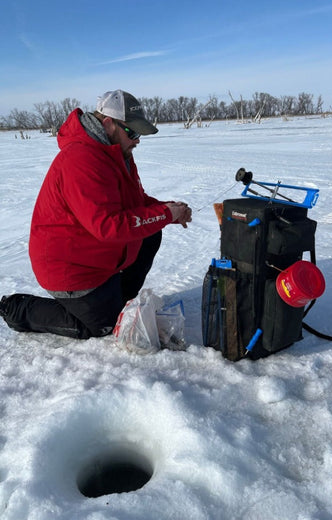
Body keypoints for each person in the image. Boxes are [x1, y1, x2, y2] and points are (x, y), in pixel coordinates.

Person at [0, 89, 192, 339]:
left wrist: (168, 211)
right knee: (103, 326)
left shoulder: (116, 152)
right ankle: (18, 309)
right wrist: (164, 214)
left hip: (97, 254)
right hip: (70, 267)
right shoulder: (81, 159)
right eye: (132, 132)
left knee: (150, 234)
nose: (137, 141)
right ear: (109, 124)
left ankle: (116, 301)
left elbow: (136, 200)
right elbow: (108, 226)